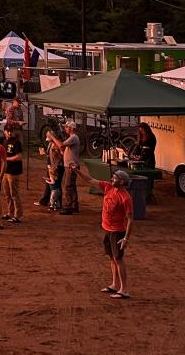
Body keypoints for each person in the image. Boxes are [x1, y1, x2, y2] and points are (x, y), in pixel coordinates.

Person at [90, 169, 135, 298]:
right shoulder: (108, 187)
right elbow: (90, 180)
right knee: (112, 257)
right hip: (108, 230)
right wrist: (77, 171)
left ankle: (124, 289)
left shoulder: (125, 198)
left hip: (117, 232)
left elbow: (131, 220)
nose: (111, 179)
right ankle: (115, 285)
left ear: (121, 181)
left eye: (114, 178)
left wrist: (126, 238)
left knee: (118, 259)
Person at [59, 121, 82, 216]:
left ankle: (69, 207)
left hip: (71, 166)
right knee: (71, 186)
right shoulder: (72, 138)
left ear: (72, 128)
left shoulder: (73, 138)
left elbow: (61, 145)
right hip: (70, 165)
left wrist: (52, 138)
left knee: (68, 186)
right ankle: (74, 205)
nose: (65, 128)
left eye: (67, 127)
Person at [1, 133, 24, 224]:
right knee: (7, 193)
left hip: (14, 171)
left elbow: (19, 156)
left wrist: (7, 159)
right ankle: (10, 212)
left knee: (14, 193)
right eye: (8, 130)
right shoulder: (5, 141)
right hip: (6, 170)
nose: (9, 133)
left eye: (11, 130)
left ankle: (18, 215)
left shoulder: (16, 142)